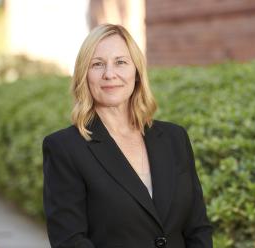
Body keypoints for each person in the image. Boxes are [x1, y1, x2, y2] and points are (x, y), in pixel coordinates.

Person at [42, 23, 213, 248]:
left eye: (120, 62)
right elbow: (70, 240)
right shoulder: (64, 148)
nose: (109, 74)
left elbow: (197, 228)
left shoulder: (174, 138)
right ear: (84, 75)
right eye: (97, 64)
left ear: (137, 72)